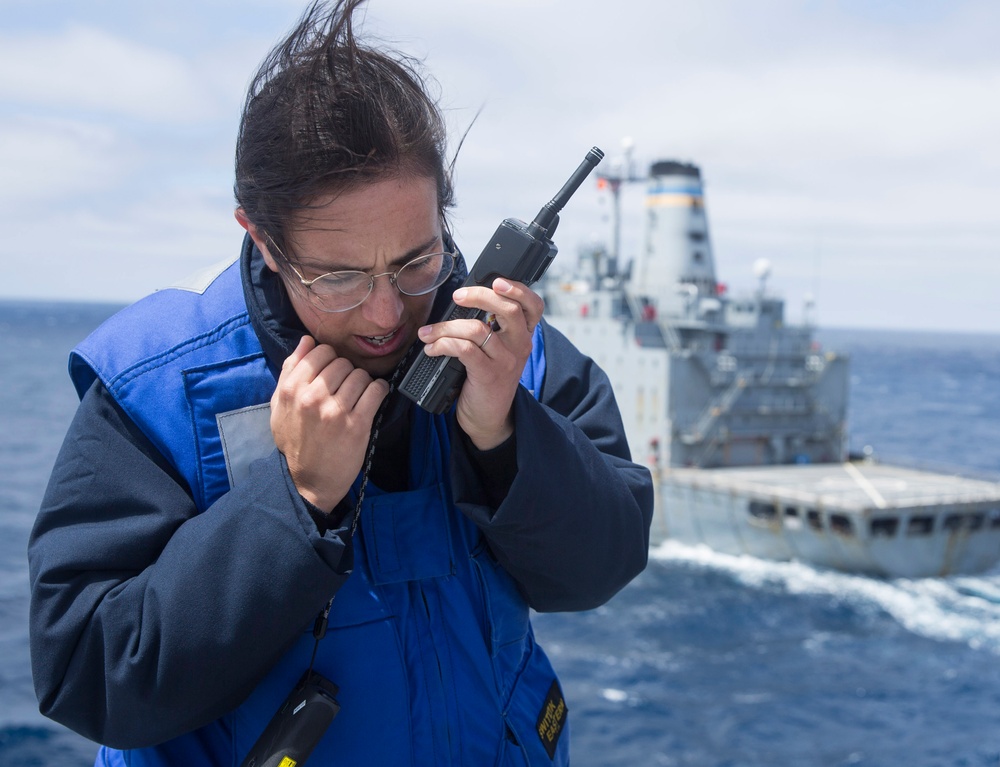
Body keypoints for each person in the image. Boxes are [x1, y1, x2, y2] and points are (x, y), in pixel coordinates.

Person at [27, 1, 654, 764]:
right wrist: (293, 502)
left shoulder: (517, 352)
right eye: (338, 277)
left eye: (417, 260)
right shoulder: (154, 388)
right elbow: (90, 675)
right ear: (260, 236)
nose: (387, 312)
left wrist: (504, 437)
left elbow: (602, 565)